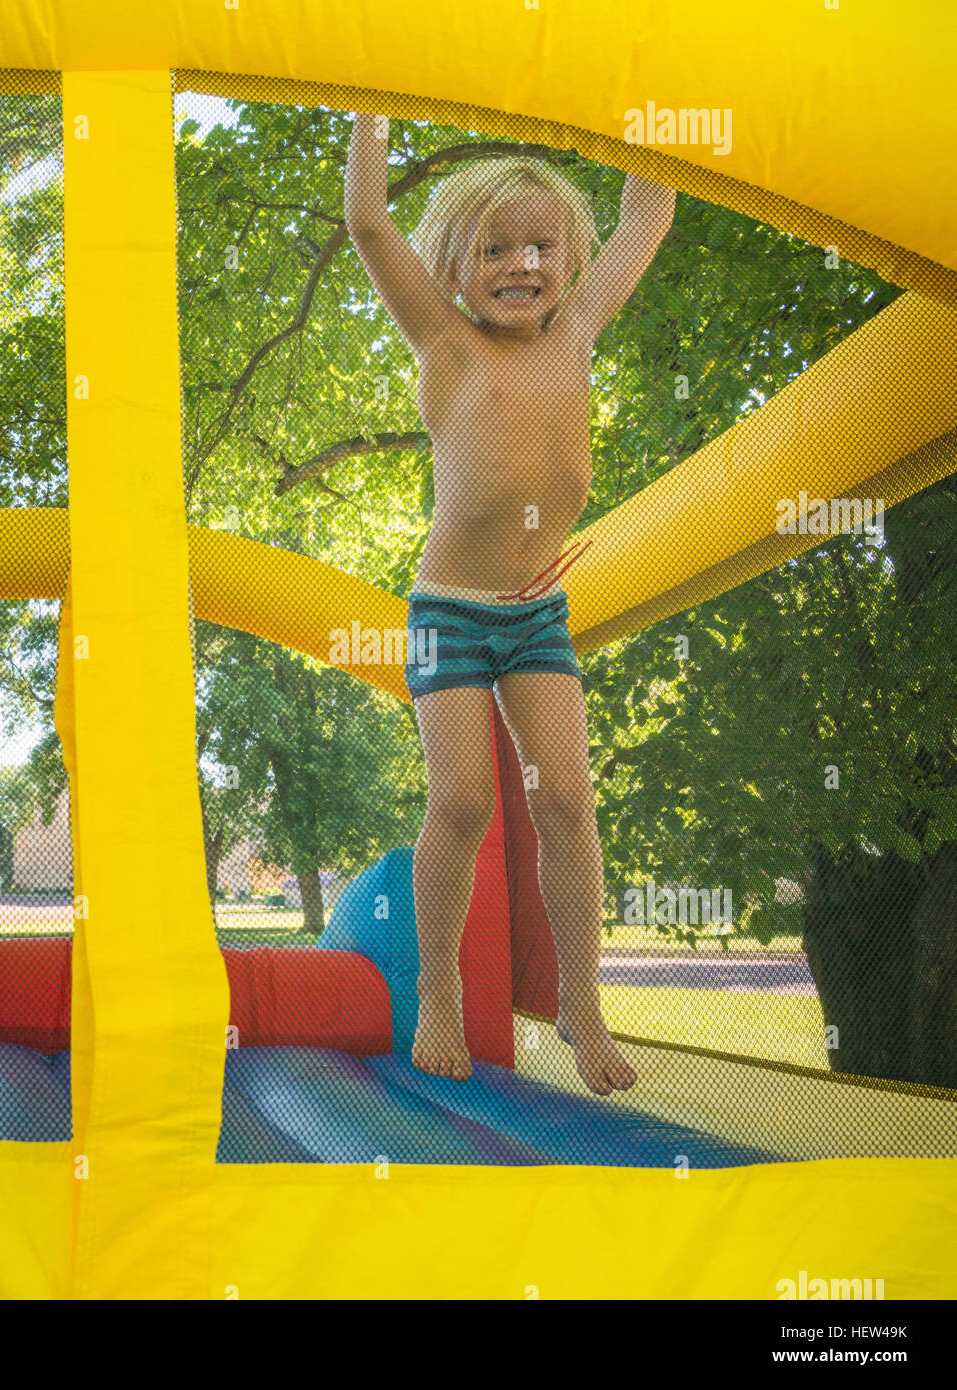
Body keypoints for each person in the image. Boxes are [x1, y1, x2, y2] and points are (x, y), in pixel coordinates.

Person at [344, 113, 674, 1093]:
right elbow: (367, 224)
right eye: (494, 247)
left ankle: (581, 1000)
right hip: (449, 610)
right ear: (454, 264)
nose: (520, 262)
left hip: (535, 615)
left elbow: (646, 209)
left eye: (539, 245)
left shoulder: (575, 330)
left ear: (568, 260)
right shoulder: (444, 343)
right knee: (462, 801)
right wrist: (371, 109)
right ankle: (438, 986)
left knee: (569, 800)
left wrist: (633, 103)